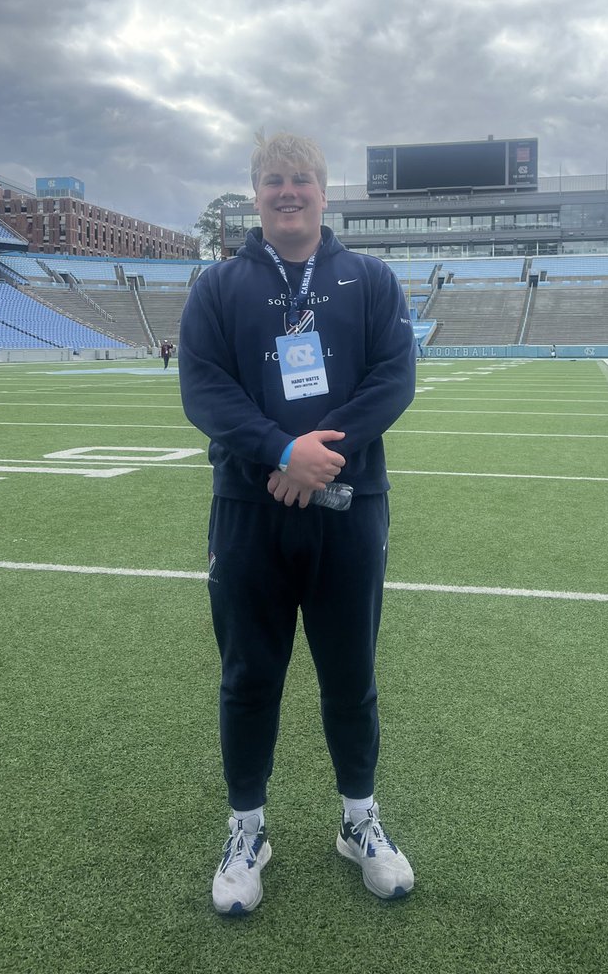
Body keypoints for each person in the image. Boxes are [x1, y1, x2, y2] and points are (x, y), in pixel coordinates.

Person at [178, 131, 417, 917]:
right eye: (275, 180)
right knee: (248, 676)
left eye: (302, 179)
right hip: (250, 512)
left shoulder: (369, 278)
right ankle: (248, 829)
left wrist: (320, 454)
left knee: (351, 677)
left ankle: (359, 822)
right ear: (256, 192)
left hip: (350, 511)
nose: (290, 192)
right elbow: (204, 390)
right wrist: (281, 450)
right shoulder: (218, 287)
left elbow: (393, 378)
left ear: (324, 190)